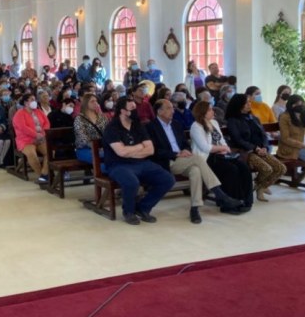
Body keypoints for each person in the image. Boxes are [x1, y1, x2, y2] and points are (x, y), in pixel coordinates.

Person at [147, 99, 236, 224]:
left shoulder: (176, 124)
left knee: (196, 171)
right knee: (198, 159)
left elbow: (185, 144)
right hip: (167, 161)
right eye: (168, 108)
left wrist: (186, 151)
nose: (172, 111)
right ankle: (219, 194)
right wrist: (176, 153)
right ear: (159, 111)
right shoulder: (151, 127)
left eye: (172, 108)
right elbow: (154, 150)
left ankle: (195, 209)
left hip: (184, 159)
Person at [101, 96, 175, 225]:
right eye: (132, 109)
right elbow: (121, 152)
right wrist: (140, 147)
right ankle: (128, 211)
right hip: (118, 165)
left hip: (141, 162)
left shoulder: (138, 125)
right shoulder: (112, 128)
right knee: (132, 183)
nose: (136, 111)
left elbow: (150, 150)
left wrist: (131, 151)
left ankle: (143, 207)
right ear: (123, 111)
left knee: (167, 179)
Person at [190, 101, 252, 214]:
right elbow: (205, 147)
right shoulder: (196, 126)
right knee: (231, 170)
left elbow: (221, 140)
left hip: (221, 155)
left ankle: (246, 200)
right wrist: (221, 148)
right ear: (203, 112)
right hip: (207, 159)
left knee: (244, 167)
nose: (213, 111)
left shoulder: (214, 122)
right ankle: (229, 205)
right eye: (210, 109)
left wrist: (225, 148)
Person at [225, 93, 286, 202]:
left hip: (260, 150)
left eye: (249, 102)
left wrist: (265, 147)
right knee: (266, 169)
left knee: (281, 168)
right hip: (246, 151)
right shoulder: (232, 120)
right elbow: (238, 140)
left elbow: (263, 135)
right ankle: (258, 188)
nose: (249, 104)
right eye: (246, 102)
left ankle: (260, 187)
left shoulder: (253, 118)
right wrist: (255, 148)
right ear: (239, 104)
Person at [12, 93, 50, 183]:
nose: (34, 102)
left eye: (34, 99)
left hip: (41, 138)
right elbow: (23, 128)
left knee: (49, 151)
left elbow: (46, 123)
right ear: (26, 102)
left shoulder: (38, 111)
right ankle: (41, 175)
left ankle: (45, 173)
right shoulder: (19, 113)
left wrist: (43, 133)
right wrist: (36, 135)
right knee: (32, 155)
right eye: (32, 100)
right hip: (26, 140)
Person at [73, 93, 108, 166]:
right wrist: (96, 147)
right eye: (92, 101)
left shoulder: (102, 118)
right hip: (85, 149)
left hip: (102, 147)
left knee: (111, 156)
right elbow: (82, 138)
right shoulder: (79, 119)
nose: (95, 103)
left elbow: (108, 133)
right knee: (100, 158)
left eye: (96, 101)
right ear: (86, 103)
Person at [277, 95, 305, 165]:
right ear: (290, 105)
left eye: (302, 103)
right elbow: (285, 138)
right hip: (293, 148)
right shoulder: (284, 117)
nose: (300, 105)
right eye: (296, 104)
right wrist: (302, 145)